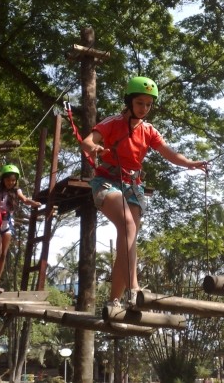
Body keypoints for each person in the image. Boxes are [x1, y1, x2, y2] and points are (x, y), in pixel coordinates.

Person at [81, 76, 208, 308]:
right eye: (140, 103)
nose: (145, 108)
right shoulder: (112, 123)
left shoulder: (149, 130)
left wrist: (190, 163)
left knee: (128, 242)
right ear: (129, 102)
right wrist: (94, 147)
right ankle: (134, 288)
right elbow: (87, 142)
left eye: (149, 104)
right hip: (107, 181)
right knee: (128, 227)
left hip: (133, 186)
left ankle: (113, 302)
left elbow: (168, 152)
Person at [0, 164, 41, 294]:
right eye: (8, 180)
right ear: (3, 179)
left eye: (13, 180)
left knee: (3, 255)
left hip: (7, 223)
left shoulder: (16, 191)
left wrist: (34, 203)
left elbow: (24, 199)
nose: (11, 182)